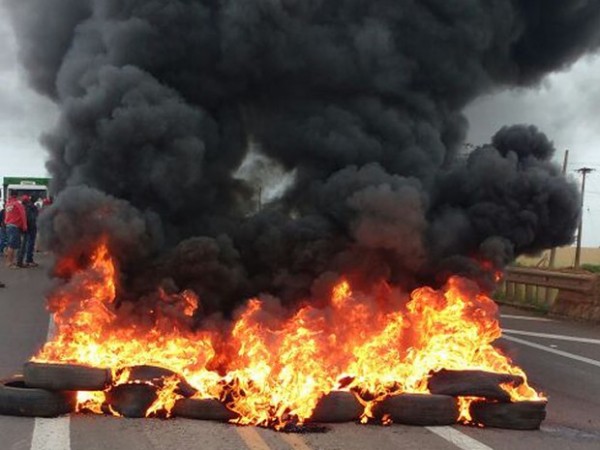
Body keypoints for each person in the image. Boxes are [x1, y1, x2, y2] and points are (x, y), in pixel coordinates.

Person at [4, 193, 27, 268]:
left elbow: (6, 216)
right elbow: (23, 215)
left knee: (10, 245)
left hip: (8, 226)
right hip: (15, 226)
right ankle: (10, 263)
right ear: (17, 196)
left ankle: (10, 262)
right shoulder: (17, 204)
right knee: (12, 246)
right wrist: (24, 226)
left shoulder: (8, 204)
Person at [18, 196, 39, 268]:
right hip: (31, 227)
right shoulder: (32, 207)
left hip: (25, 227)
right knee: (30, 244)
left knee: (24, 244)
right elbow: (34, 218)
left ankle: (21, 260)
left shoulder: (22, 207)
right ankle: (29, 260)